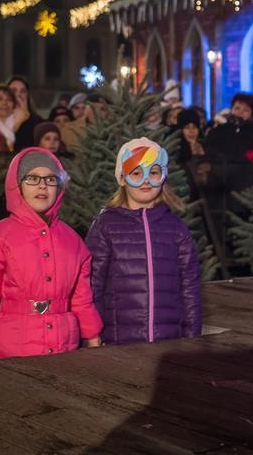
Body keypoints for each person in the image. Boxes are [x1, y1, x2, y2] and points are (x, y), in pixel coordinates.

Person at [0, 148, 102, 360]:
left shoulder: (73, 241)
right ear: (17, 186)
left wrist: (92, 336)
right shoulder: (1, 236)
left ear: (59, 187)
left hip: (63, 350)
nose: (42, 185)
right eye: (32, 178)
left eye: (50, 179)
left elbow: (82, 298)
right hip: (11, 351)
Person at [85, 137, 201, 345]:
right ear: (122, 178)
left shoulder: (176, 228)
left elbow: (190, 291)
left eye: (153, 172)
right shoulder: (105, 226)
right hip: (118, 345)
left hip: (169, 344)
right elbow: (93, 286)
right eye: (136, 173)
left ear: (163, 176)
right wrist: (92, 334)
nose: (146, 180)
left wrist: (191, 340)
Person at [7, 76, 42, 151]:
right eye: (13, 91)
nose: (18, 94)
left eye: (23, 91)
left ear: (27, 95)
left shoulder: (38, 122)